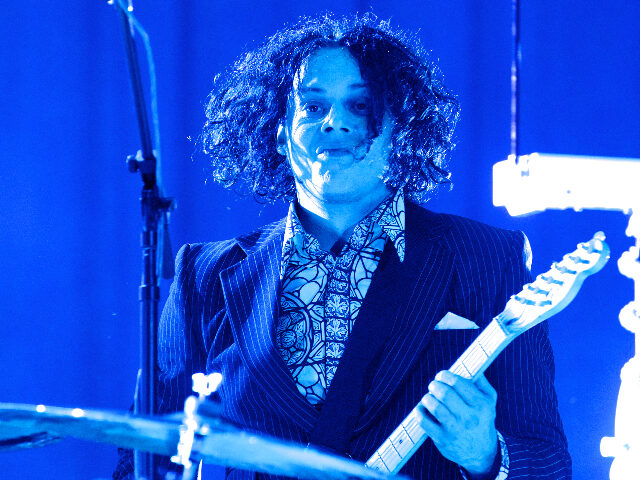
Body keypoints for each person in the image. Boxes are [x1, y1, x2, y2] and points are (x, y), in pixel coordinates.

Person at [114, 13, 570, 480]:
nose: (335, 122)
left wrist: (484, 455)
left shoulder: (487, 258)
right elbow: (141, 461)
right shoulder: (204, 275)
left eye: (361, 106)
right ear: (278, 132)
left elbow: (549, 462)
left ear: (400, 127)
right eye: (312, 107)